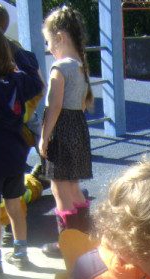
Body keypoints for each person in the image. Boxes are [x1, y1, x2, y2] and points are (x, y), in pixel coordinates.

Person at [0, 0, 46, 248]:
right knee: (14, 203)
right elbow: (36, 83)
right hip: (13, 154)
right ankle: (20, 251)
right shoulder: (15, 80)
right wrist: (13, 67)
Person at [39, 4, 93, 258]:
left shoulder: (59, 69)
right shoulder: (81, 65)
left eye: (49, 41)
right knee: (73, 187)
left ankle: (67, 244)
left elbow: (54, 106)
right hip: (78, 131)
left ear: (59, 37)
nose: (49, 47)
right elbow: (81, 104)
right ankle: (84, 236)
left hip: (62, 131)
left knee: (59, 189)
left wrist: (44, 136)